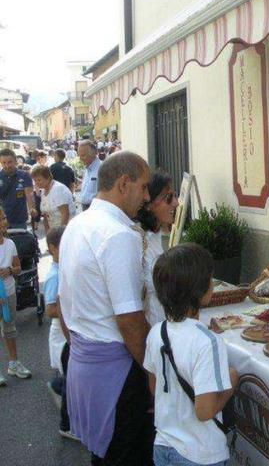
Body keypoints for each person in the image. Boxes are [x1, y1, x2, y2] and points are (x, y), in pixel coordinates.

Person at [59, 151, 153, 465]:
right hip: (117, 371)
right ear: (124, 184)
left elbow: (64, 302)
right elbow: (130, 320)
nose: (147, 196)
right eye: (144, 187)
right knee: (127, 456)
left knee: (103, 457)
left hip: (86, 363)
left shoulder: (78, 224)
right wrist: (153, 372)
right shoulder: (118, 235)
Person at [144, 243, 237, 466]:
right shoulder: (209, 342)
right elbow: (204, 411)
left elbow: (154, 387)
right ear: (202, 291)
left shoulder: (157, 331)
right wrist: (231, 382)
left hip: (164, 445)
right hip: (200, 454)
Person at [43, 226, 78, 440]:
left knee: (67, 375)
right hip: (61, 336)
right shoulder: (53, 276)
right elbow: (49, 309)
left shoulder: (64, 269)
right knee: (70, 381)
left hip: (67, 332)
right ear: (52, 248)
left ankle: (55, 384)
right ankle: (66, 425)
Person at [135, 172, 178, 326]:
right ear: (148, 203)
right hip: (147, 330)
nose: (176, 203)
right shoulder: (137, 239)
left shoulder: (155, 234)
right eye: (168, 198)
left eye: (175, 196)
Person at [0, 206, 31, 385]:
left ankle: (13, 364)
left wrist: (10, 270)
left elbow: (18, 268)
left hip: (9, 292)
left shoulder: (10, 244)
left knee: (10, 328)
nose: (4, 222)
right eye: (1, 219)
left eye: (4, 218)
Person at [30, 165, 75, 232]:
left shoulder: (58, 189)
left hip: (66, 230)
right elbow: (45, 215)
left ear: (48, 178)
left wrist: (59, 235)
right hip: (53, 231)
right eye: (35, 180)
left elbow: (65, 214)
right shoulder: (43, 191)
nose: (36, 183)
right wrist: (48, 234)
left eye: (39, 180)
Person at [0, 148, 35, 230]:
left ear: (15, 161)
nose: (7, 165)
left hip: (19, 221)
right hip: (2, 222)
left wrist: (32, 209)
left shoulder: (24, 175)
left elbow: (29, 196)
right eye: (4, 163)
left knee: (20, 242)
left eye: (9, 162)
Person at [78, 140, 101, 211]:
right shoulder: (87, 168)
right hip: (86, 208)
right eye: (79, 155)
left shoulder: (102, 168)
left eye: (83, 155)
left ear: (93, 154)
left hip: (96, 209)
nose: (80, 158)